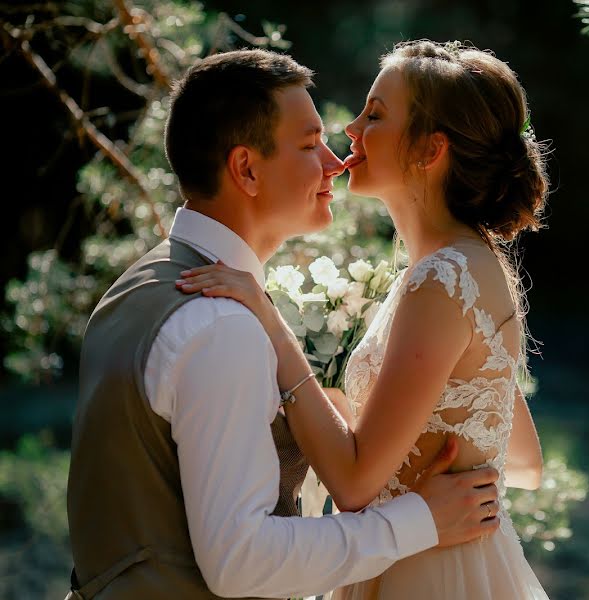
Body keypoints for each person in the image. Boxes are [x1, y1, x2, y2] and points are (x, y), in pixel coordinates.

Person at [66, 48, 501, 600]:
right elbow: (240, 562)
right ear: (246, 168)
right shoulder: (219, 325)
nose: (334, 160)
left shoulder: (132, 288)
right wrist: (420, 522)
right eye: (307, 145)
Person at [177, 40, 550, 598]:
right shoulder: (464, 268)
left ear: (430, 150)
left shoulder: (440, 282)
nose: (350, 129)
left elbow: (353, 484)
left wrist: (269, 319)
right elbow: (522, 459)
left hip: (426, 573)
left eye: (374, 115)